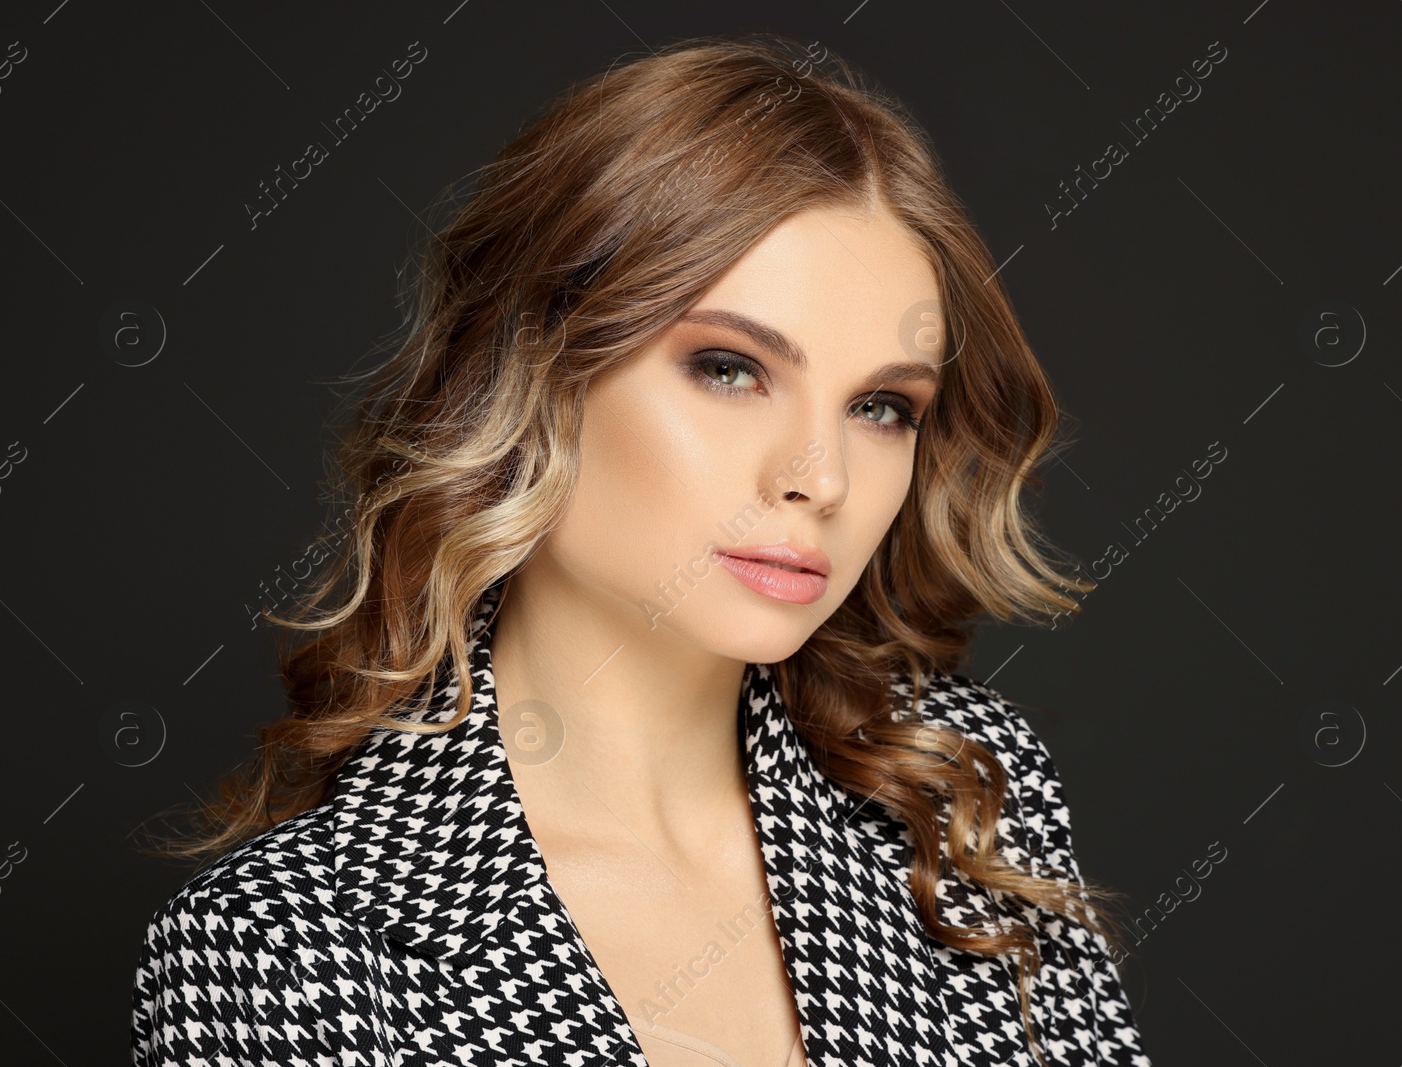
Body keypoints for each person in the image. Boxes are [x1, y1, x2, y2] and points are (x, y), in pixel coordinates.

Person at [130, 31, 1150, 1067]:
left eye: (882, 405)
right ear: (534, 375)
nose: (821, 476)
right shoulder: (285, 945)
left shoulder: (960, 800)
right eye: (728, 367)